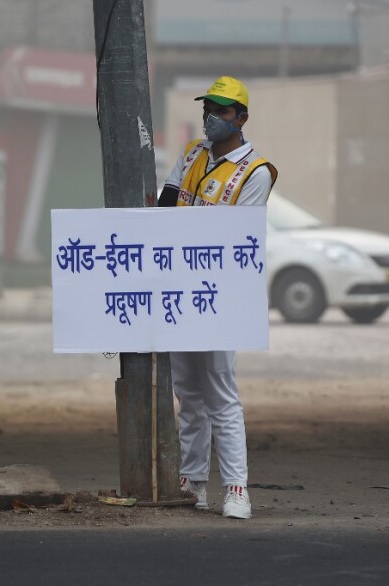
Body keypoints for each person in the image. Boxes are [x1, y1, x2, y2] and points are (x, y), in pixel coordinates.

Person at [158, 76, 277, 520]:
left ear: (242, 118)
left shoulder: (256, 171)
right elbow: (167, 205)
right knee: (188, 392)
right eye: (208, 107)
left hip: (219, 294)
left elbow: (233, 238)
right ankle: (192, 484)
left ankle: (237, 489)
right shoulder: (193, 152)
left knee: (221, 394)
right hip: (179, 287)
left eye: (222, 110)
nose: (211, 116)